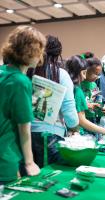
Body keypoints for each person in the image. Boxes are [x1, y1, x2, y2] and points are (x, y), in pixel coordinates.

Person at [0, 25, 46, 183]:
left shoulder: (2, 73)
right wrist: (30, 162)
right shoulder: (20, 81)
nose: (41, 55)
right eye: (39, 49)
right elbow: (24, 128)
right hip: (6, 158)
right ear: (29, 51)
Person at [28, 35, 79, 168]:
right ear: (57, 54)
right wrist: (74, 126)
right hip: (50, 135)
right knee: (49, 177)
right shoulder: (60, 74)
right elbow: (70, 112)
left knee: (28, 179)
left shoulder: (28, 71)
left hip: (26, 134)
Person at [66, 55, 105, 140]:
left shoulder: (93, 85)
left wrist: (101, 110)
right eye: (94, 73)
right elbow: (81, 119)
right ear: (85, 70)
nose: (97, 77)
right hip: (80, 129)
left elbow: (96, 103)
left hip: (90, 125)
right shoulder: (77, 89)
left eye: (99, 74)